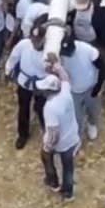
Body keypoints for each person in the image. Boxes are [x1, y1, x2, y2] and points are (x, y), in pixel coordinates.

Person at [38, 69, 80, 199]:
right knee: (68, 167)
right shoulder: (65, 92)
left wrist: (47, 148)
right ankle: (68, 192)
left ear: (47, 91)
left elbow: (53, 134)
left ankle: (53, 182)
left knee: (46, 158)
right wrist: (58, 68)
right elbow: (65, 78)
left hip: (60, 142)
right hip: (72, 137)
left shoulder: (50, 108)